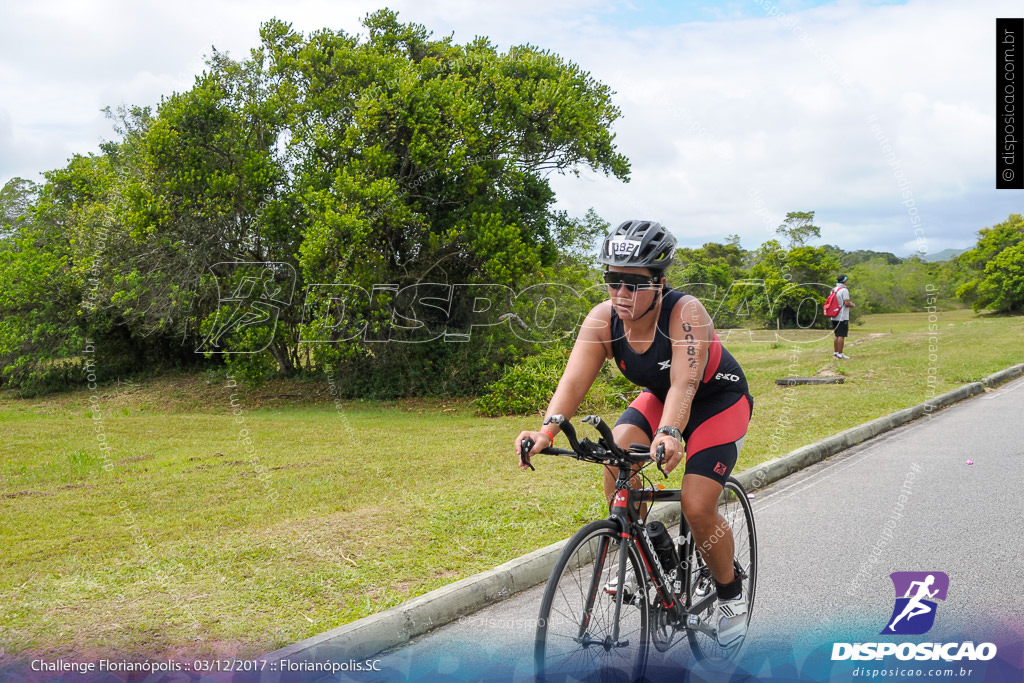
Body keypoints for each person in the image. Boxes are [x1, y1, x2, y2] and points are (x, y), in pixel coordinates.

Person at [514, 220, 755, 647]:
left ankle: (729, 590)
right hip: (661, 398)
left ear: (660, 282)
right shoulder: (603, 319)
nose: (621, 294)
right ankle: (641, 556)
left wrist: (670, 432)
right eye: (613, 281)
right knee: (615, 458)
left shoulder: (686, 313)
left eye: (634, 284)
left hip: (717, 401)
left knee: (697, 505)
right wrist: (547, 430)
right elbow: (573, 382)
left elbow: (686, 382)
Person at [830, 275, 855, 359]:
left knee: (836, 335)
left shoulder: (833, 290)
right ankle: (840, 354)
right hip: (842, 316)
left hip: (834, 316)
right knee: (841, 335)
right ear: (844, 281)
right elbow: (846, 303)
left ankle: (836, 353)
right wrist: (852, 304)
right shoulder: (844, 290)